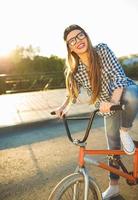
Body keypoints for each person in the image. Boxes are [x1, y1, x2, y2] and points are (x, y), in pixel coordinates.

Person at [53, 24, 138, 199]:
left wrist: (113, 101)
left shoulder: (101, 50)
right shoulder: (76, 70)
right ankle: (114, 187)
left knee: (132, 95)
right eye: (72, 40)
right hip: (108, 108)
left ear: (86, 36)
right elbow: (72, 92)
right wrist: (63, 108)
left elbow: (118, 76)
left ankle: (125, 131)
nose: (78, 41)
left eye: (80, 35)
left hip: (125, 94)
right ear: (69, 48)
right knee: (112, 149)